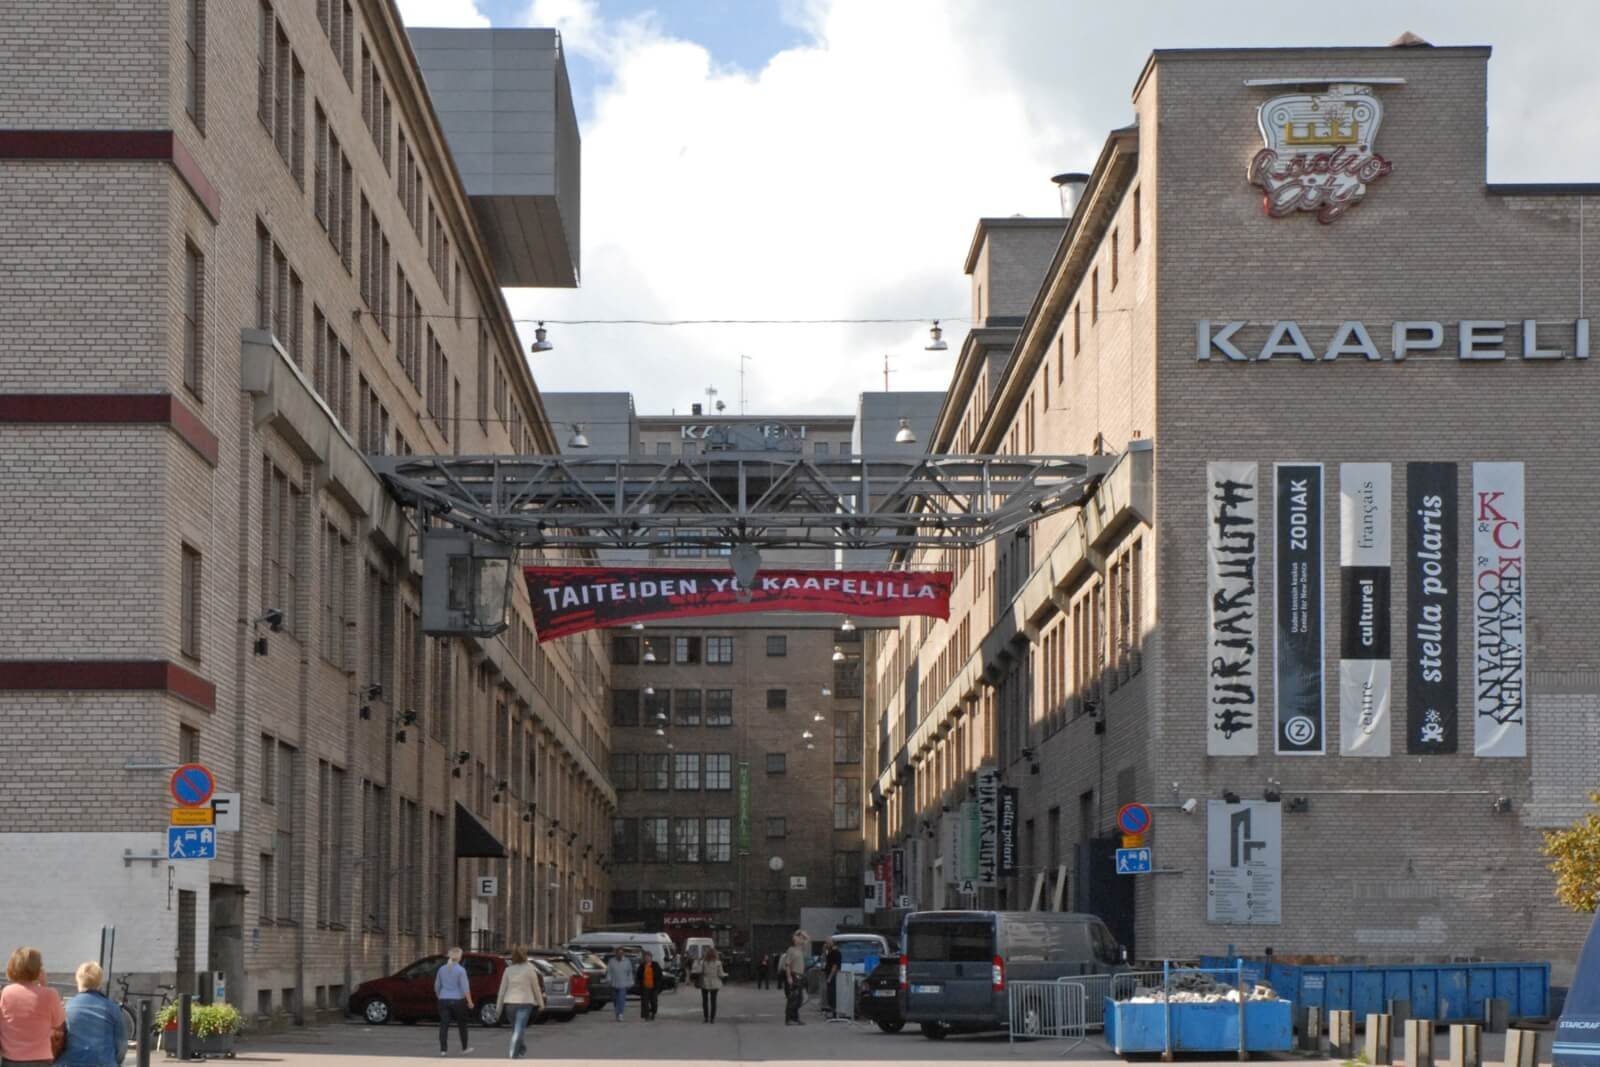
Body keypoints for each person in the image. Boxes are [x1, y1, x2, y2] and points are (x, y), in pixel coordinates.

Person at [0, 946, 67, 1065]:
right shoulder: (50, 994)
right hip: (41, 1059)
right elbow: (58, 1022)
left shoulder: (6, 993)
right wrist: (44, 984)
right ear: (38, 969)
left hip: (11, 1059)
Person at [56, 961, 126, 1067]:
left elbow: (59, 1041)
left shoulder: (67, 1007)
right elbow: (121, 1044)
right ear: (100, 983)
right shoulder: (112, 1008)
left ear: (78, 981)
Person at [496, 946, 545, 1060]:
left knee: (517, 1029)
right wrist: (541, 1003)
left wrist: (498, 1008)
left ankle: (520, 1049)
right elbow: (536, 988)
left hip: (510, 1004)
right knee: (519, 1029)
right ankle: (513, 1052)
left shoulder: (508, 970)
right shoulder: (530, 969)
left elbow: (502, 991)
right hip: (525, 1003)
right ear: (525, 956)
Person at [433, 947, 474, 1056]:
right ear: (460, 957)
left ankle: (443, 1050)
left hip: (443, 999)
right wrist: (470, 1002)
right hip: (458, 1000)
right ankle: (464, 1048)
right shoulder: (461, 970)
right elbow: (465, 988)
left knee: (444, 1025)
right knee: (462, 1025)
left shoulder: (441, 969)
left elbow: (436, 986)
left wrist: (439, 996)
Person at [780, 931, 808, 1026]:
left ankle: (795, 1018)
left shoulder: (801, 949)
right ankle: (789, 1019)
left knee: (799, 999)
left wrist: (801, 932)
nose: (799, 939)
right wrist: (789, 977)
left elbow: (808, 939)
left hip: (800, 976)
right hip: (793, 975)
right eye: (797, 938)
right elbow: (787, 965)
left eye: (799, 938)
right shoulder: (791, 950)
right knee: (792, 998)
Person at [695, 947, 726, 1024]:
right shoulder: (718, 963)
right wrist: (725, 975)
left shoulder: (703, 962)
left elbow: (699, 971)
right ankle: (712, 1019)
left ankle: (706, 1018)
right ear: (715, 954)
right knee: (713, 1001)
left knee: (705, 1001)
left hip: (704, 982)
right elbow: (720, 974)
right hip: (715, 982)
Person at [604, 948, 634, 1021]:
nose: (620, 954)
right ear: (616, 953)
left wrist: (630, 982)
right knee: (615, 1000)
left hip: (623, 984)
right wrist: (608, 979)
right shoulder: (611, 961)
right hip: (614, 984)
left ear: (623, 954)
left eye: (621, 953)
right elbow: (609, 972)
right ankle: (617, 1012)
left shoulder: (627, 961)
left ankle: (621, 1014)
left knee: (621, 999)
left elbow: (629, 973)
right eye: (619, 953)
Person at [636, 951, 662, 1022]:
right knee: (645, 1002)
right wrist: (639, 983)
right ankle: (646, 1015)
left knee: (654, 1001)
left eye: (648, 957)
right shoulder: (642, 966)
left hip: (654, 987)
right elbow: (638, 976)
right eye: (645, 957)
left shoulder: (655, 965)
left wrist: (658, 984)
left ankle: (653, 1012)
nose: (647, 959)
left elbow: (660, 975)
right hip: (645, 987)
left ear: (651, 958)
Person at [823, 939, 843, 1019]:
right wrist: (824, 950)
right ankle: (832, 1011)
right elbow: (825, 960)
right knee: (830, 994)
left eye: (827, 943)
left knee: (833, 994)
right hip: (829, 974)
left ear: (832, 943)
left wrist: (830, 977)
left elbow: (835, 966)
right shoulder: (830, 952)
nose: (826, 944)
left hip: (833, 976)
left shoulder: (836, 952)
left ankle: (834, 1012)